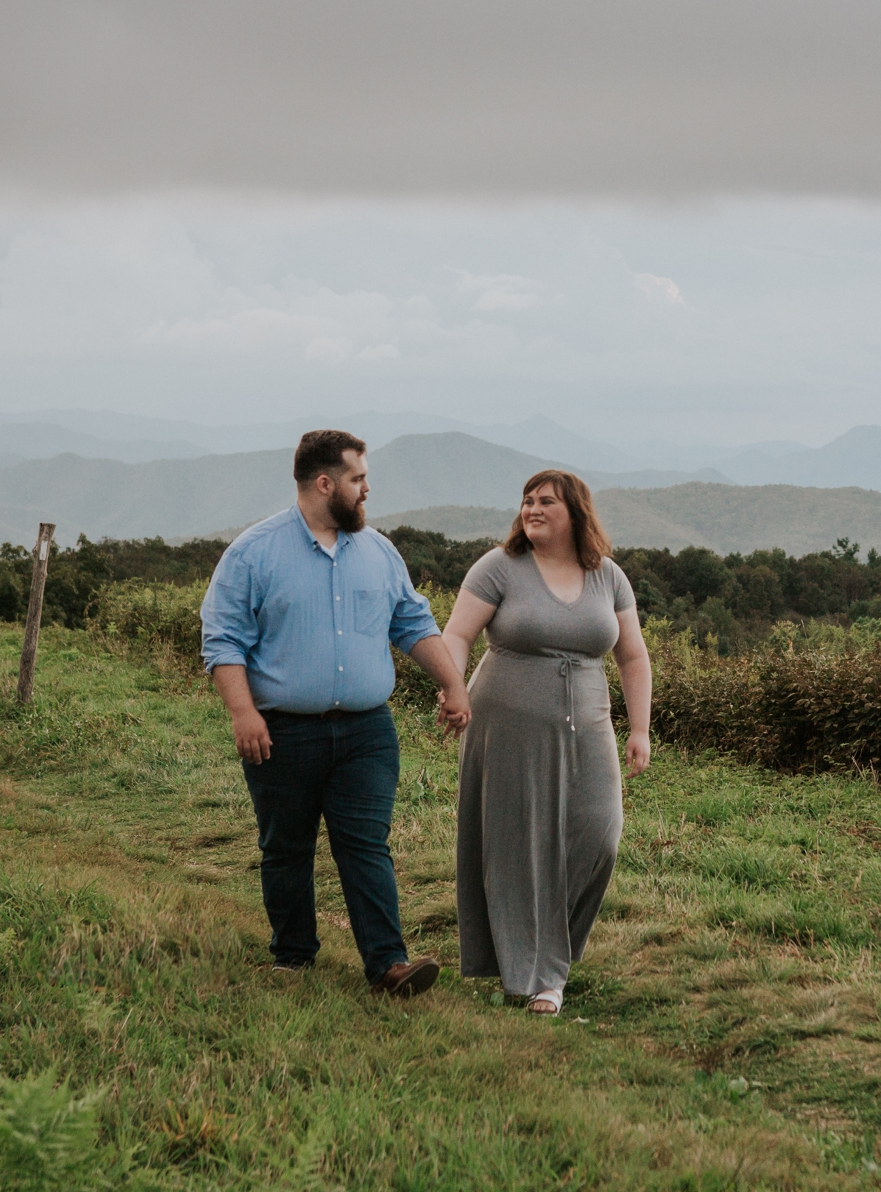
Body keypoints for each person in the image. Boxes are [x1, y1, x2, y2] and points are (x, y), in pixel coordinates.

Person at [200, 429, 473, 995]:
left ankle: (388, 966)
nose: (367, 490)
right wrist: (243, 713)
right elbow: (223, 641)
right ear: (325, 484)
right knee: (285, 846)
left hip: (368, 732)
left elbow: (414, 623)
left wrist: (454, 684)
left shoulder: (378, 552)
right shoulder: (253, 553)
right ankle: (293, 958)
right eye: (358, 479)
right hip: (281, 731)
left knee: (365, 843)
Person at [439, 470, 652, 1015]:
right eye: (527, 501)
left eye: (546, 501)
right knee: (518, 849)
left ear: (575, 512)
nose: (532, 508)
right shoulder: (499, 567)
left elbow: (631, 655)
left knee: (599, 836)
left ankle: (544, 953)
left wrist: (639, 729)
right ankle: (542, 976)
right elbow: (457, 635)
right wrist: (453, 688)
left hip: (589, 724)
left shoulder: (608, 577)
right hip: (504, 724)